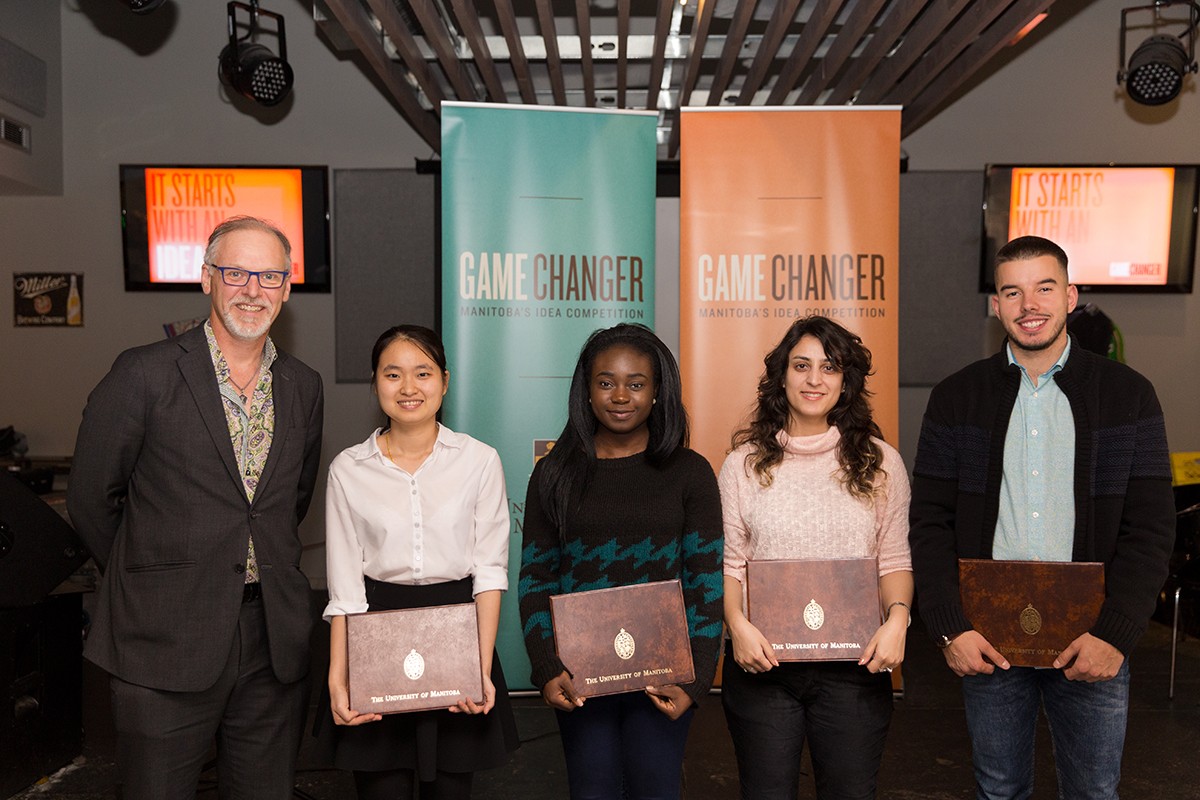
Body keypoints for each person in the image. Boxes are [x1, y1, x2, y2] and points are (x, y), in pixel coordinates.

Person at [908, 235, 1175, 800]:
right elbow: (928, 521)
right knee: (998, 789)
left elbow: (1151, 529)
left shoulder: (1130, 396)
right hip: (990, 640)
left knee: (1094, 792)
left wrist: (1117, 634)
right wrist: (950, 626)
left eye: (1045, 288)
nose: (1029, 305)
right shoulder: (957, 398)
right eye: (1013, 292)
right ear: (996, 305)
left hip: (1092, 636)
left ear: (1071, 295)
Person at [67, 216, 324, 799]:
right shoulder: (143, 373)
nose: (252, 290)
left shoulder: (303, 385)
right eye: (236, 272)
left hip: (272, 641)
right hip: (163, 638)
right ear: (206, 278)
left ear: (287, 287)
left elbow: (288, 503)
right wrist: (150, 580)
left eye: (269, 276)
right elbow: (90, 501)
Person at [518, 323, 724, 799]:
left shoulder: (689, 473)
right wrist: (548, 666)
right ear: (586, 391)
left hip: (664, 679)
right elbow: (536, 578)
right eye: (605, 382)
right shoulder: (554, 474)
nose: (620, 396)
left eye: (636, 384)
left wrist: (694, 681)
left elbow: (705, 585)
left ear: (657, 392)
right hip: (579, 678)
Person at [719, 316, 913, 800]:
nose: (814, 379)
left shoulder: (881, 462)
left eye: (829, 367)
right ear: (781, 375)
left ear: (845, 381)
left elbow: (893, 560)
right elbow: (729, 564)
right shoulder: (741, 464)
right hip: (763, 668)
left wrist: (898, 621)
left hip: (855, 668)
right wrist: (737, 626)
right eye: (801, 365)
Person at [322, 324, 518, 799]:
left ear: (445, 381)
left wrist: (479, 665)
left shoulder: (479, 461)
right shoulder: (348, 469)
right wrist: (337, 677)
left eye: (423, 373)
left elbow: (490, 572)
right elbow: (345, 587)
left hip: (457, 632)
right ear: (376, 384)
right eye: (393, 374)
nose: (408, 388)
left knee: (450, 789)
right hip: (376, 632)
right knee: (379, 789)